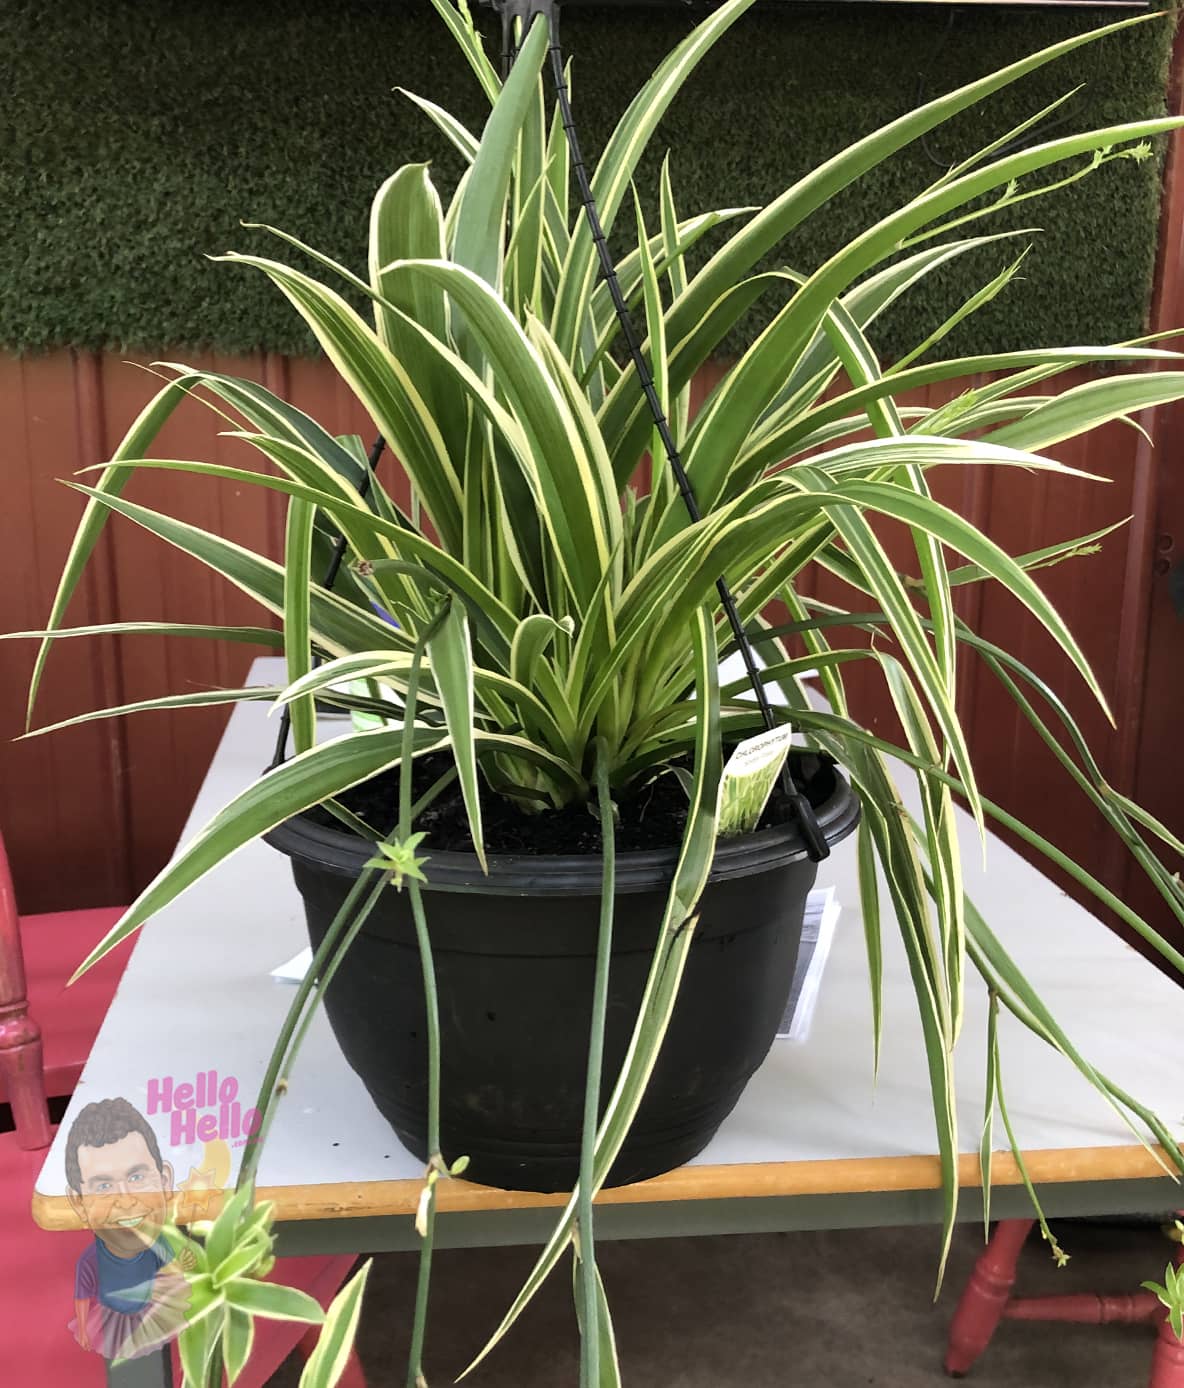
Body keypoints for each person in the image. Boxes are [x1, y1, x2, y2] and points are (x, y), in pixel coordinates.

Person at [65, 1096, 193, 1361]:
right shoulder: (90, 1260)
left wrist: (186, 1264)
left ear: (165, 1180)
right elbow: (82, 1297)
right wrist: (84, 1328)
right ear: (79, 1202)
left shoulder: (159, 1243)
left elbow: (176, 1269)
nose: (125, 1200)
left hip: (152, 1311)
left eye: (136, 1177)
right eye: (103, 1186)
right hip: (112, 1315)